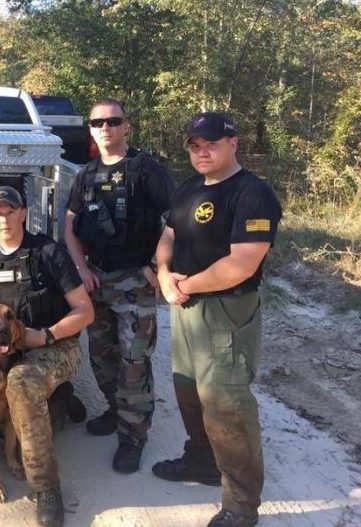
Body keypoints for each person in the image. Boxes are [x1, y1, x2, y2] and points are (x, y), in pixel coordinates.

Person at [151, 112, 281, 527]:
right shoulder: (189, 188)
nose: (201, 150)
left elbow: (242, 263)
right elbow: (169, 236)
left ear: (233, 143)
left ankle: (241, 507)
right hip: (186, 304)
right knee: (189, 391)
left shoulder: (252, 193)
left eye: (210, 142)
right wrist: (164, 272)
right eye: (194, 144)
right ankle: (203, 462)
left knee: (228, 406)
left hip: (226, 310)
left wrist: (186, 286)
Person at [0, 186, 94, 527]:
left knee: (21, 382)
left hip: (53, 346)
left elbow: (85, 311)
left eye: (10, 211)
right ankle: (60, 402)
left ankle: (46, 488)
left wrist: (45, 335)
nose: (4, 218)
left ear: (23, 214)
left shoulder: (49, 253)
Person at [63, 98, 174, 473]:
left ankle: (133, 437)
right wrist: (80, 267)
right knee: (102, 356)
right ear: (91, 130)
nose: (106, 128)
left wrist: (158, 266)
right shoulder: (85, 174)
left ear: (127, 126)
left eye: (114, 121)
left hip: (135, 282)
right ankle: (116, 411)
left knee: (134, 362)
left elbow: (176, 221)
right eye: (98, 123)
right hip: (98, 280)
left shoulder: (146, 171)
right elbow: (69, 223)